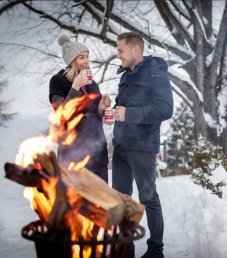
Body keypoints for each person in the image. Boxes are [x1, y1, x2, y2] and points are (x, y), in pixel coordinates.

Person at [112, 32, 173, 258]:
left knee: (148, 198)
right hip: (120, 146)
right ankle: (125, 250)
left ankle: (155, 251)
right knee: (121, 200)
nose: (118, 55)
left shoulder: (155, 72)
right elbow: (124, 107)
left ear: (135, 50)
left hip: (142, 146)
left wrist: (129, 114)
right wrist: (114, 110)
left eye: (121, 51)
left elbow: (165, 109)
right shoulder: (126, 75)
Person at [49, 35, 111, 182]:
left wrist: (101, 108)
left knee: (99, 197)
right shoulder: (58, 81)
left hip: (97, 148)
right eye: (81, 57)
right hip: (72, 150)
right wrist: (75, 87)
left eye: (87, 57)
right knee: (75, 198)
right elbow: (62, 114)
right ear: (72, 61)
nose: (87, 61)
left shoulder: (93, 84)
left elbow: (95, 117)